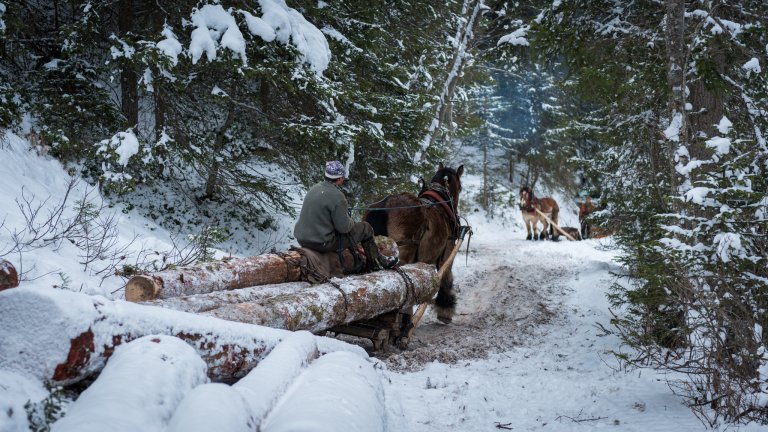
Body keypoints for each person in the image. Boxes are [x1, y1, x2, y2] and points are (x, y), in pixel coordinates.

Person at [294, 161, 398, 271]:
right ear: (339, 178)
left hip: (302, 239)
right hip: (321, 243)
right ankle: (377, 262)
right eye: (343, 177)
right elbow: (344, 228)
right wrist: (352, 222)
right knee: (365, 228)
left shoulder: (314, 189)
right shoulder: (338, 197)